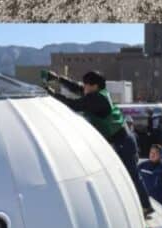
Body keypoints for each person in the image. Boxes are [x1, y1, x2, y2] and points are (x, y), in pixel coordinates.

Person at [47, 70, 152, 214]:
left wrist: (52, 94)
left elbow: (73, 104)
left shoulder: (97, 99)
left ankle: (146, 206)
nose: (83, 87)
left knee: (132, 174)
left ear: (94, 86)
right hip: (123, 138)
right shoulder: (99, 93)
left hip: (122, 141)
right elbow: (77, 88)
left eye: (86, 85)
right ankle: (141, 204)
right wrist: (59, 79)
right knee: (128, 174)